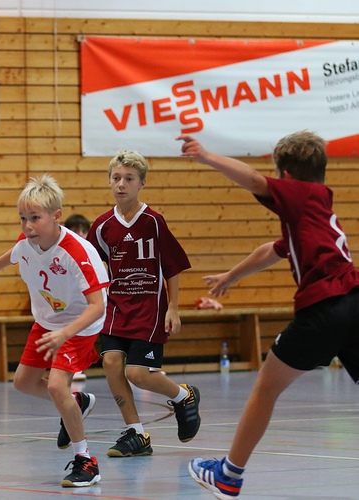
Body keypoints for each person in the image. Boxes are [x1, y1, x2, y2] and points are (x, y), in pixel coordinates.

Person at [179, 131, 359, 499]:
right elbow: (273, 250)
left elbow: (254, 180)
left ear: (287, 175)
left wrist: (207, 156)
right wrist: (232, 276)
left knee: (266, 388)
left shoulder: (300, 194)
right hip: (353, 303)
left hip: (324, 308)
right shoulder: (312, 210)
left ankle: (228, 475)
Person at [0, 174, 110, 487]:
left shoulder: (76, 252)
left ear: (56, 216)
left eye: (35, 218)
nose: (28, 225)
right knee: (23, 382)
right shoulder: (27, 243)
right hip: (48, 321)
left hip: (79, 324)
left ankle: (86, 461)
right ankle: (78, 402)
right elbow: (15, 253)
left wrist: (65, 334)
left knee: (56, 387)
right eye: (23, 218)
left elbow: (98, 306)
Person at [85, 150, 201, 458]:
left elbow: (173, 266)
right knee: (110, 363)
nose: (121, 184)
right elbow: (90, 267)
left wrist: (173, 307)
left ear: (142, 183)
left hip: (149, 308)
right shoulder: (102, 225)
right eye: (116, 178)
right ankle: (136, 433)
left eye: (129, 178)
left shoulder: (153, 221)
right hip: (116, 307)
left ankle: (183, 396)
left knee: (138, 374)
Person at [64, 213, 92, 382]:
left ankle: (138, 364)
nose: (80, 235)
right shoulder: (61, 253)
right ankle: (71, 365)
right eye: (75, 231)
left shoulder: (93, 253)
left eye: (84, 231)